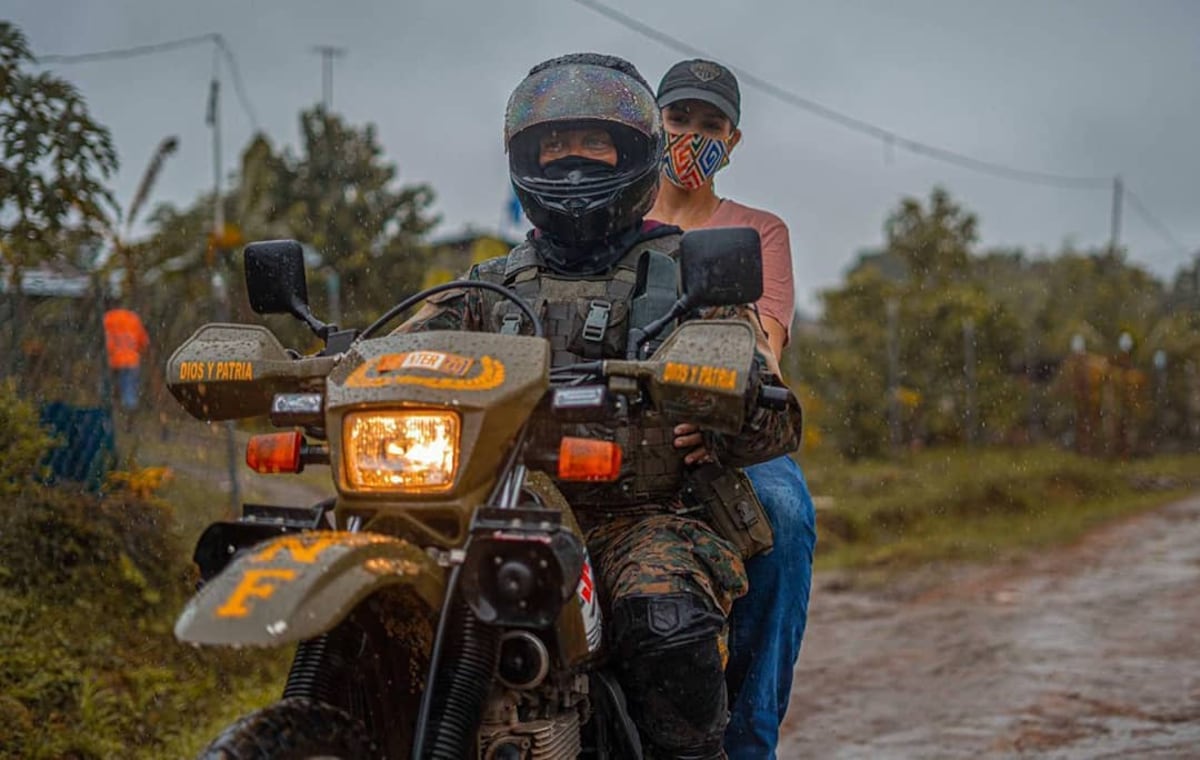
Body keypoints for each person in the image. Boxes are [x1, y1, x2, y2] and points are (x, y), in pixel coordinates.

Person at [398, 53, 803, 759]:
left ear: (631, 155)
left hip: (639, 518)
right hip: (493, 515)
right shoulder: (488, 285)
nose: (573, 162)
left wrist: (724, 411)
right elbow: (393, 356)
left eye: (594, 145)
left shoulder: (688, 272)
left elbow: (773, 407)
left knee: (666, 620)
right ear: (525, 157)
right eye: (553, 146)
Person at [648, 58, 818, 760]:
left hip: (723, 431)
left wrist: (719, 410)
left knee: (782, 517)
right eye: (678, 118)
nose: (691, 136)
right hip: (609, 423)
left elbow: (763, 343)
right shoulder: (607, 221)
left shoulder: (757, 233)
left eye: (709, 124)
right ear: (649, 123)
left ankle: (746, 742)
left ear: (734, 139)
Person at [102, 306, 150, 412]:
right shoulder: (133, 318)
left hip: (113, 360)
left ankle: (108, 408)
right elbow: (143, 342)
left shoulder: (108, 318)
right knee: (129, 390)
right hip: (131, 360)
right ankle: (128, 414)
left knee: (108, 388)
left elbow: (103, 340)